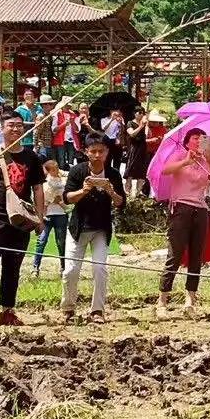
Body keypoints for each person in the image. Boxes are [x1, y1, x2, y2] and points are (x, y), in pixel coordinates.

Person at [0, 110, 46, 326]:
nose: (16, 129)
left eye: (19, 125)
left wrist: (40, 218)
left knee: (13, 267)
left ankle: (7, 311)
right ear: (2, 129)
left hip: (20, 220)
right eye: (11, 125)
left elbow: (38, 190)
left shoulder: (32, 157)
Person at [157, 126, 210, 314]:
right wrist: (185, 162)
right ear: (187, 142)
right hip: (180, 208)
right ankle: (163, 298)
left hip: (200, 209)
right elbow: (165, 170)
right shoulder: (179, 154)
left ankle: (190, 299)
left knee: (196, 256)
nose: (199, 141)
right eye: (195, 138)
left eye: (203, 138)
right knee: (175, 254)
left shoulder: (205, 160)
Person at [62, 132, 125, 322]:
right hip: (78, 227)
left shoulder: (113, 174)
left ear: (107, 152)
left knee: (100, 268)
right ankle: (68, 308)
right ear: (86, 152)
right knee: (71, 270)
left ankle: (97, 310)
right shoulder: (77, 171)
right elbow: (67, 198)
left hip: (101, 228)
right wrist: (84, 190)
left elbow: (121, 203)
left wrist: (110, 191)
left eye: (102, 151)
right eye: (94, 151)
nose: (98, 155)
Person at [33, 159, 67, 277]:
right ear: (48, 171)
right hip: (48, 215)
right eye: (53, 169)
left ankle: (63, 267)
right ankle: (35, 267)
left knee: (61, 242)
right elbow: (43, 199)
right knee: (42, 240)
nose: (56, 170)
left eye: (57, 168)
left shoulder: (63, 180)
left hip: (61, 214)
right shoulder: (44, 183)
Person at [51, 100, 75, 169]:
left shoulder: (73, 114)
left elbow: (77, 129)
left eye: (69, 106)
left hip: (71, 140)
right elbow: (54, 130)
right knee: (61, 158)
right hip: (60, 140)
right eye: (66, 105)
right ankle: (62, 172)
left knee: (71, 157)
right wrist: (63, 125)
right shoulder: (57, 114)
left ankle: (71, 173)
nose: (68, 107)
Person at [34, 95, 57, 161]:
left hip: (49, 144)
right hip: (42, 145)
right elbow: (36, 132)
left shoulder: (50, 116)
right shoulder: (41, 117)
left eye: (51, 104)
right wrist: (35, 146)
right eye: (46, 104)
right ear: (43, 105)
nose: (50, 106)